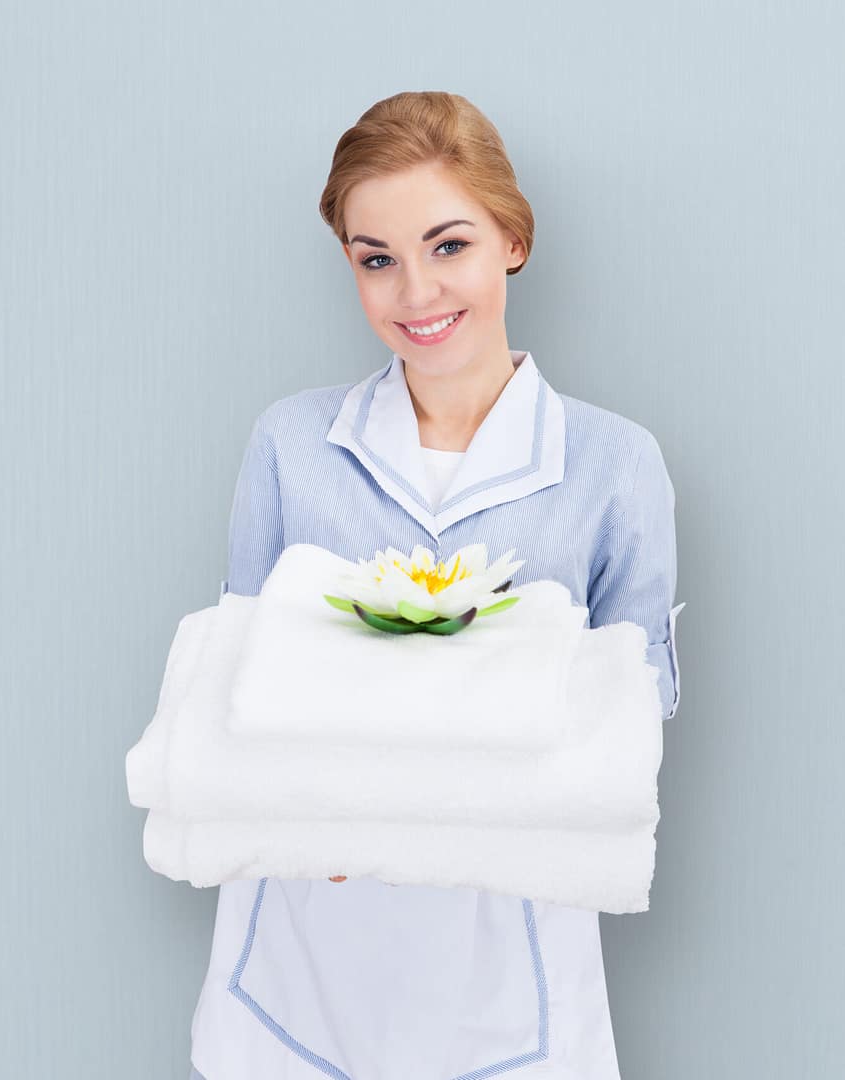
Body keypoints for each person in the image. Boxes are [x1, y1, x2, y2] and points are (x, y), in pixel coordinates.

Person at [186, 91, 682, 1080]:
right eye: (376, 259)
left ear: (510, 238)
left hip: (514, 981)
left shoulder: (612, 465)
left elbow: (633, 725)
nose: (414, 293)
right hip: (294, 974)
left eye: (446, 245)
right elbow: (229, 693)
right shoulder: (290, 444)